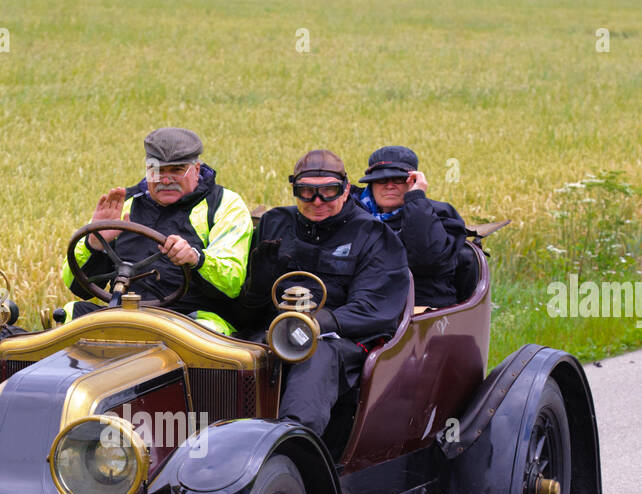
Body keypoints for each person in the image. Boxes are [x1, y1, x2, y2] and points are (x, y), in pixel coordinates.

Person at [236, 149, 410, 438]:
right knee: (228, 353)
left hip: (344, 341)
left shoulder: (373, 234)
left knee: (313, 355)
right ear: (295, 191)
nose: (317, 202)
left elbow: (374, 309)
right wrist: (259, 284)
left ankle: (292, 445)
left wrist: (316, 324)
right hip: (272, 331)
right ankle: (213, 438)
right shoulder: (275, 222)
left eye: (328, 191)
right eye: (306, 192)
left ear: (345, 190)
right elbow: (245, 307)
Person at [60, 127, 253, 333]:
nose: (166, 180)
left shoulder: (224, 204)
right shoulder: (124, 204)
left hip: (193, 318)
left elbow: (232, 284)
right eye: (157, 170)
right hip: (125, 312)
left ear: (196, 169)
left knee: (204, 333)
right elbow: (77, 285)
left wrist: (196, 260)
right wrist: (95, 245)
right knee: (69, 315)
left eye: (176, 170)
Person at [351, 145, 467, 308]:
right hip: (363, 304)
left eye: (399, 179)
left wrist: (416, 201)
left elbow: (427, 260)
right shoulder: (353, 213)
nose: (390, 185)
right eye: (382, 179)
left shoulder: (440, 214)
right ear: (371, 184)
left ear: (413, 182)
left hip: (421, 306)